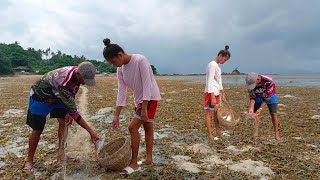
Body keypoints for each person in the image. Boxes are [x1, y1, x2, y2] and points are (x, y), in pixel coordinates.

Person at [24, 61, 99, 172]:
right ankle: (29, 160)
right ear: (78, 74)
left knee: (64, 122)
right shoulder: (64, 82)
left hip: (58, 96)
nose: (84, 83)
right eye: (85, 80)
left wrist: (68, 111)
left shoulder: (77, 71)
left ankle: (61, 154)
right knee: (37, 129)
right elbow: (75, 113)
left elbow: (72, 91)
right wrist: (91, 132)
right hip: (41, 96)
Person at [102, 38, 161, 175]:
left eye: (113, 61)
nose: (113, 65)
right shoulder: (120, 70)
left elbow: (147, 84)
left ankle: (134, 163)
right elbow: (122, 92)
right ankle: (149, 159)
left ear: (120, 55)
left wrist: (145, 107)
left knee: (132, 127)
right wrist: (116, 115)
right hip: (139, 101)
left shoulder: (140, 60)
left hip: (150, 98)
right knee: (148, 127)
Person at [245, 73, 281, 143]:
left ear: (258, 79)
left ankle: (276, 133)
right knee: (255, 114)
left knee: (273, 113)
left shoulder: (269, 81)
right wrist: (251, 107)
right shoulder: (250, 81)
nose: (252, 86)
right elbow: (252, 96)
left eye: (253, 84)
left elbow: (267, 98)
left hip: (270, 96)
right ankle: (256, 133)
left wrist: (261, 108)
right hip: (258, 96)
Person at [204, 45, 231, 141]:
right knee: (209, 113)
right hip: (210, 92)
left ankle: (218, 131)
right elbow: (210, 81)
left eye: (226, 60)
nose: (224, 62)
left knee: (216, 113)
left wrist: (222, 93)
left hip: (216, 92)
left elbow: (219, 80)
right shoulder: (212, 65)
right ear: (220, 56)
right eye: (224, 59)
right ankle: (210, 134)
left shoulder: (218, 67)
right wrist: (212, 96)